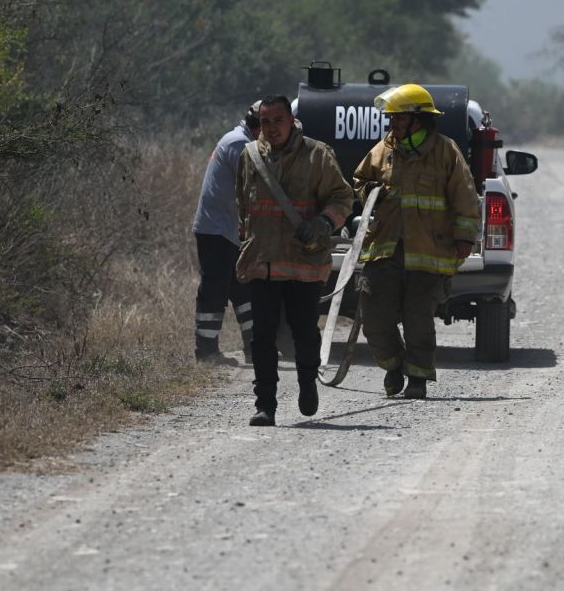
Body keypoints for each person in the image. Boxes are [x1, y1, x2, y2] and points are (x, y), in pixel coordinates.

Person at [353, 83, 481, 399]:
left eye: (399, 117)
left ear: (419, 119)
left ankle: (418, 379)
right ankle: (394, 365)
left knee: (418, 319)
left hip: (429, 251)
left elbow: (465, 198)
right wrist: (370, 191)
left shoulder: (445, 152)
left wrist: (464, 237)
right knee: (374, 319)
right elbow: (359, 180)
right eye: (392, 118)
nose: (393, 123)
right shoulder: (383, 151)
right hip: (385, 250)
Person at [235, 95, 353, 426]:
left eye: (278, 121)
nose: (271, 128)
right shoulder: (250, 156)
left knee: (304, 331)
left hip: (305, 263)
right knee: (262, 335)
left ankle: (306, 384)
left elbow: (343, 198)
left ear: (292, 121)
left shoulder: (318, 155)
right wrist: (248, 244)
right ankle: (265, 406)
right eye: (265, 122)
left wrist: (324, 222)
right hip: (263, 263)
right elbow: (243, 204)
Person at [191, 101, 260, 362]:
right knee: (215, 288)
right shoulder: (239, 145)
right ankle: (206, 352)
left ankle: (254, 348)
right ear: (258, 126)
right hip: (216, 229)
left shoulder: (240, 140)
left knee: (243, 288)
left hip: (228, 228)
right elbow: (255, 188)